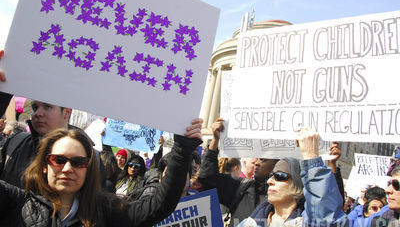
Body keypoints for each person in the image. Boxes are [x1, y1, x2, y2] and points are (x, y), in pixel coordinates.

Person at [0, 118, 203, 226]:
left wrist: (182, 148)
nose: (67, 168)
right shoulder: (17, 203)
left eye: (78, 162)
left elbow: (159, 205)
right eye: (59, 160)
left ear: (89, 168)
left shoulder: (105, 212)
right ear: (45, 164)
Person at [236, 128, 348, 227]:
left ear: (299, 186)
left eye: (279, 176)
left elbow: (326, 219)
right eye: (271, 176)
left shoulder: (306, 222)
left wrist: (311, 158)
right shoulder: (248, 223)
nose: (270, 181)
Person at [198, 118, 278, 226]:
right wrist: (215, 141)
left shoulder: (288, 198)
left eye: (263, 160)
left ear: (277, 165)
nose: (257, 163)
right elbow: (208, 178)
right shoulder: (241, 187)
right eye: (257, 158)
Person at [0, 96, 73, 188]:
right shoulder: (15, 142)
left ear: (66, 112)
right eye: (35, 108)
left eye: (47, 107)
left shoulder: (86, 157)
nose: (37, 113)